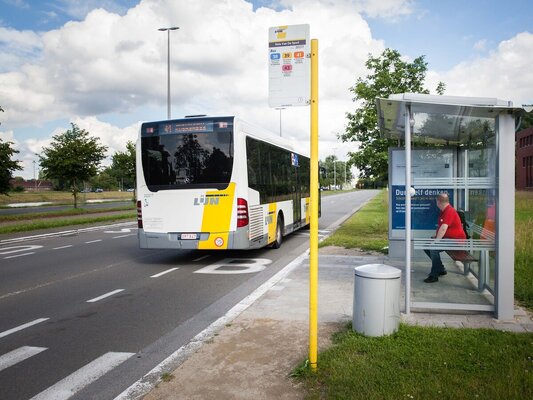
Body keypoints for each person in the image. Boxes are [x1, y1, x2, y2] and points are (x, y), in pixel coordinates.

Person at [423, 192, 466, 283]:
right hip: (450, 239)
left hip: (456, 241)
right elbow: (443, 228)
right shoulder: (445, 211)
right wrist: (436, 237)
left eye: (436, 202)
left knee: (433, 248)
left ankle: (434, 275)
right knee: (427, 246)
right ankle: (441, 269)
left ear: (438, 202)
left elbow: (443, 228)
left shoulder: (449, 211)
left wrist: (437, 241)